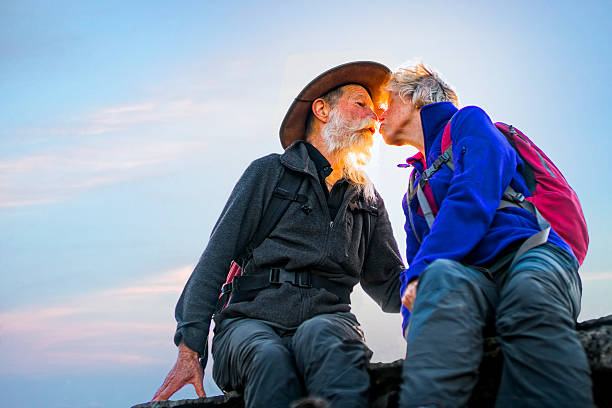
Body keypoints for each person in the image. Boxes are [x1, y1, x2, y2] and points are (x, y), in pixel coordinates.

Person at [152, 61, 405, 408]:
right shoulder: (269, 172)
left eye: (375, 111)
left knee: (331, 347)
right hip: (248, 321)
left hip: (328, 319)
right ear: (322, 110)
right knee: (268, 358)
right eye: (360, 104)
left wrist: (436, 282)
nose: (373, 117)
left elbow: (390, 285)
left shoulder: (367, 197)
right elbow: (215, 257)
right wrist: (189, 347)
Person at [379, 62, 593, 407]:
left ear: (416, 95)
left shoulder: (468, 122)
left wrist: (425, 270)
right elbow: (418, 268)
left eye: (387, 100)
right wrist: (417, 323)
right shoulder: (412, 191)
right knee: (440, 278)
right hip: (471, 281)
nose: (379, 112)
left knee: (529, 295)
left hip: (530, 253)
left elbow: (474, 190)